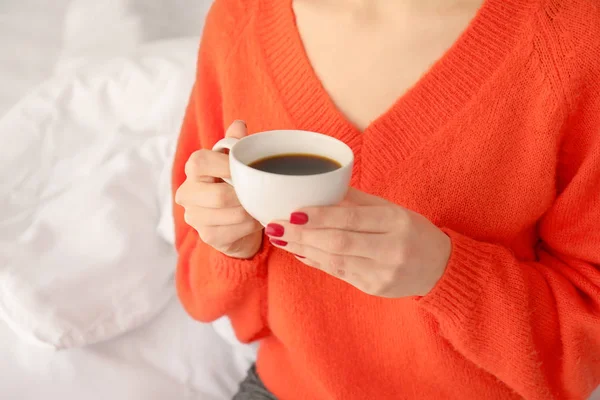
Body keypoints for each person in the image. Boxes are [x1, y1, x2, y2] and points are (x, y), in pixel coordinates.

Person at [172, 0, 600, 398]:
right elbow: (197, 285)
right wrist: (232, 245)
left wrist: (444, 273)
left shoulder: (576, 37)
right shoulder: (241, 16)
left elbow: (587, 348)